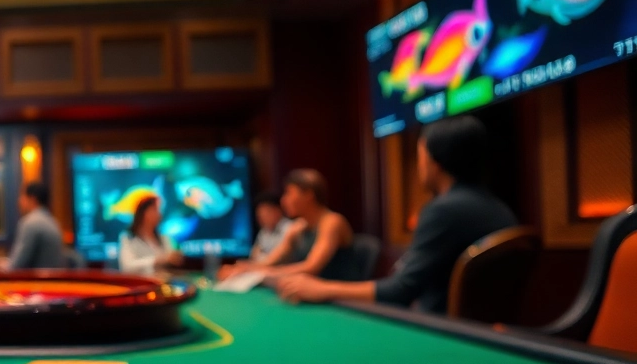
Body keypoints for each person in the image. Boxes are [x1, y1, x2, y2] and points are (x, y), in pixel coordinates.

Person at [276, 116, 517, 313]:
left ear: (436, 162)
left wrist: (322, 289)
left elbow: (400, 292)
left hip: (445, 334)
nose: (419, 165)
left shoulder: (443, 210)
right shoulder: (500, 208)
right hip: (485, 334)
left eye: (420, 156)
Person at [217, 169, 361, 281]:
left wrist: (260, 273)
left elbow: (311, 268)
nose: (284, 200)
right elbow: (270, 262)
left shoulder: (332, 221)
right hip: (311, 293)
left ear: (308, 195)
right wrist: (243, 268)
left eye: (289, 193)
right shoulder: (299, 227)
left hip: (343, 302)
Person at [0, 182, 66, 270]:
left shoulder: (31, 223)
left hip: (37, 281)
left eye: (22, 196)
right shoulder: (53, 221)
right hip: (54, 280)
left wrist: (1, 265)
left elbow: (16, 265)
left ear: (32, 199)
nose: (19, 201)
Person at [118, 196, 185, 276]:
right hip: (140, 284)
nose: (160, 214)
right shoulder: (128, 237)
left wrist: (175, 257)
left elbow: (172, 258)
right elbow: (127, 267)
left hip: (163, 284)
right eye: (156, 209)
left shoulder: (163, 238)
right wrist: (156, 261)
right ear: (144, 212)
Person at [251, 191, 292, 260]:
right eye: (259, 215)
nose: (262, 218)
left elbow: (278, 259)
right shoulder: (264, 231)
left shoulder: (290, 228)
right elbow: (254, 255)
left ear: (278, 210)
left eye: (266, 213)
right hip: (265, 268)